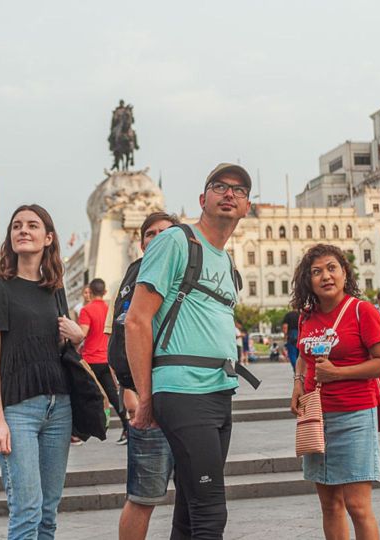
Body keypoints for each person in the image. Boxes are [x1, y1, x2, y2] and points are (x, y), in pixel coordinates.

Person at [126, 163, 253, 539]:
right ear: (203, 199)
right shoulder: (176, 241)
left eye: (240, 190)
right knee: (211, 510)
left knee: (189, 507)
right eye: (220, 186)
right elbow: (137, 320)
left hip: (218, 390)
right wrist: (145, 396)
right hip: (182, 389)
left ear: (247, 207)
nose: (229, 193)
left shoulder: (226, 260)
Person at [0, 204, 85, 540]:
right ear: (11, 238)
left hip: (59, 407)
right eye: (17, 226)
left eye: (32, 225)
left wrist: (78, 338)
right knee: (27, 511)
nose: (23, 230)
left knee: (48, 512)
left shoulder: (55, 288)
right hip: (18, 409)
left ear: (47, 237)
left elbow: (61, 350)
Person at [289, 244, 380, 539]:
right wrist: (298, 383)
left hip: (354, 416)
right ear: (308, 280)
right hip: (316, 418)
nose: (326, 276)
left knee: (358, 506)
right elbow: (302, 355)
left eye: (332, 268)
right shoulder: (306, 316)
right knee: (329, 505)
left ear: (344, 273)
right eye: (317, 271)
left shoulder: (363, 311)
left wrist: (339, 373)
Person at [115, 211, 179, 540]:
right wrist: (141, 393)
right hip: (151, 403)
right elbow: (123, 336)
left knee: (196, 494)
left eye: (165, 233)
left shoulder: (186, 272)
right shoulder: (137, 276)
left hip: (188, 400)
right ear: (141, 244)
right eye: (150, 234)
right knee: (142, 496)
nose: (157, 239)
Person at [79, 278, 130, 443]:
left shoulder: (86, 310)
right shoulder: (109, 309)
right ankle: (127, 427)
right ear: (105, 292)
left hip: (89, 361)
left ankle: (78, 433)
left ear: (90, 292)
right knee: (114, 398)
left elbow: (82, 333)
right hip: (105, 359)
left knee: (82, 396)